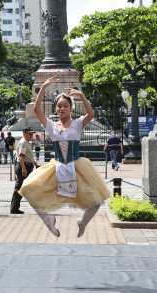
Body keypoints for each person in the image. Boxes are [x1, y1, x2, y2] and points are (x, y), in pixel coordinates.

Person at [19, 75, 110, 237]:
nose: (62, 108)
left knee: (97, 202)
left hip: (78, 167)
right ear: (56, 108)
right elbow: (37, 110)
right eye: (59, 106)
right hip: (57, 166)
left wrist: (81, 95)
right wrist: (44, 87)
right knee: (27, 189)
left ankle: (83, 223)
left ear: (71, 108)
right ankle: (48, 221)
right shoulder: (51, 126)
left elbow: (91, 114)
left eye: (65, 106)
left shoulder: (78, 123)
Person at [10, 127, 39, 214]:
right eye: (29, 133)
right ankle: (14, 208)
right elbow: (21, 157)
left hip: (26, 166)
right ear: (24, 133)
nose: (31, 135)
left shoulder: (26, 143)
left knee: (21, 187)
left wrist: (34, 163)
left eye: (31, 133)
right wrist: (23, 168)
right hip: (24, 166)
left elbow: (27, 156)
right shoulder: (23, 143)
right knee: (20, 188)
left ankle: (14, 207)